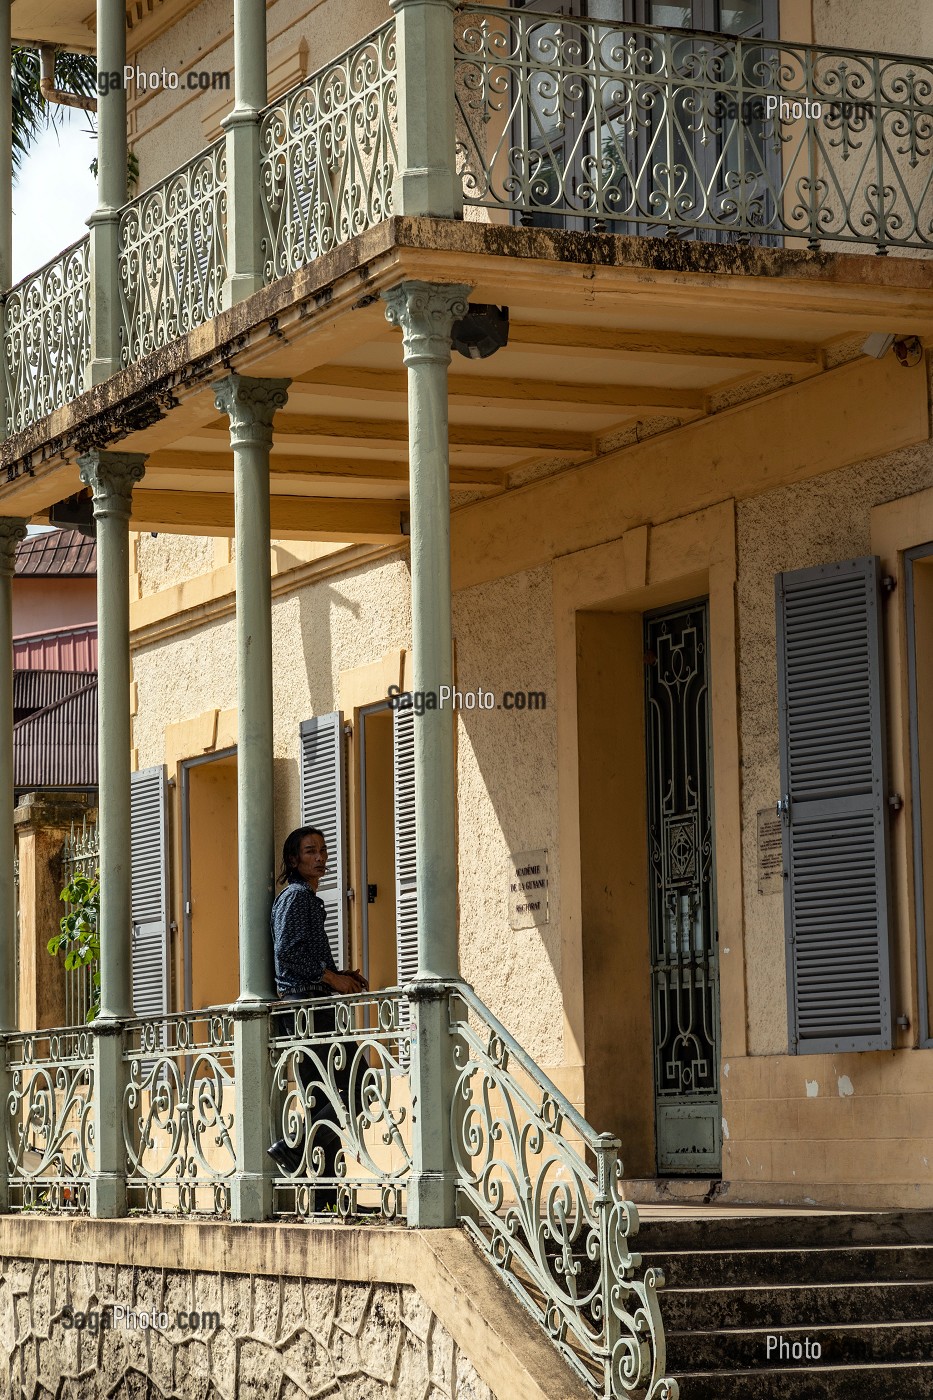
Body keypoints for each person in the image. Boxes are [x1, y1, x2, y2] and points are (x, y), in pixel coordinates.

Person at [267, 826, 369, 1208]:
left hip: (308, 1004)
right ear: (293, 860)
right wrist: (331, 979)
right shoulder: (297, 898)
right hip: (307, 1008)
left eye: (323, 850)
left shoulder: (301, 899)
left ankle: (326, 1197)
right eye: (310, 851)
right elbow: (289, 956)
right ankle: (294, 1147)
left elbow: (300, 955)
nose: (320, 857)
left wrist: (341, 974)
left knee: (322, 1095)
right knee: (357, 1081)